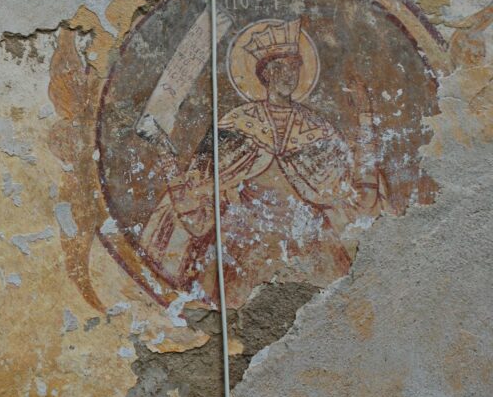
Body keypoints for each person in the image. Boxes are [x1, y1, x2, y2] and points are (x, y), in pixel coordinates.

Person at [138, 18, 386, 305]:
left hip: (310, 244)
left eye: (294, 67)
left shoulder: (317, 128)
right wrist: (165, 153)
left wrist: (366, 120)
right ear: (265, 74)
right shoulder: (236, 124)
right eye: (279, 67)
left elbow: (359, 199)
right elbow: (198, 203)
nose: (288, 74)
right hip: (244, 247)